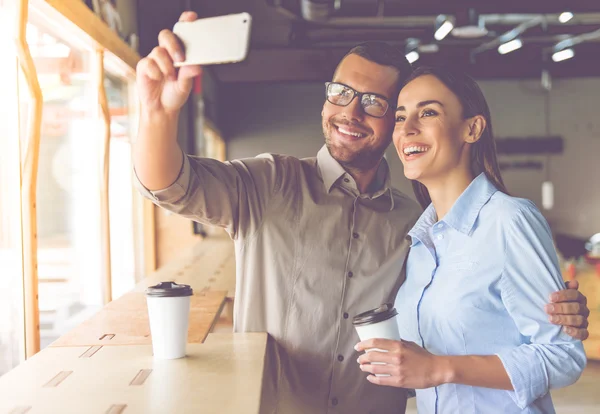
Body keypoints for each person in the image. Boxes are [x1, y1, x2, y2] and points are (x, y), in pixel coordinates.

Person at [134, 11, 590, 414]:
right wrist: (156, 113)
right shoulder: (271, 184)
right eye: (341, 93)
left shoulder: (417, 228)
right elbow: (173, 186)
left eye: (374, 103)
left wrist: (552, 311)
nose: (351, 112)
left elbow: (489, 337)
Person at [356, 67, 587, 413]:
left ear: (472, 128)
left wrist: (438, 368)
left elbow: (563, 356)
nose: (407, 129)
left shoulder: (509, 221)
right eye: (401, 117)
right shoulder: (420, 245)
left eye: (428, 112)